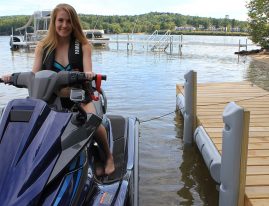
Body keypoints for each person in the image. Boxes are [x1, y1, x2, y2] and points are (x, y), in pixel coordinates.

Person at [2, 3, 115, 176]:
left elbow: (88, 71)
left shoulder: (83, 46)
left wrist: (89, 74)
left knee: (93, 121)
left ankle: (108, 157)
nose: (64, 25)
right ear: (54, 22)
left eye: (69, 21)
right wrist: (12, 77)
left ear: (74, 23)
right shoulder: (42, 47)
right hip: (49, 99)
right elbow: (34, 76)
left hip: (78, 96)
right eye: (60, 20)